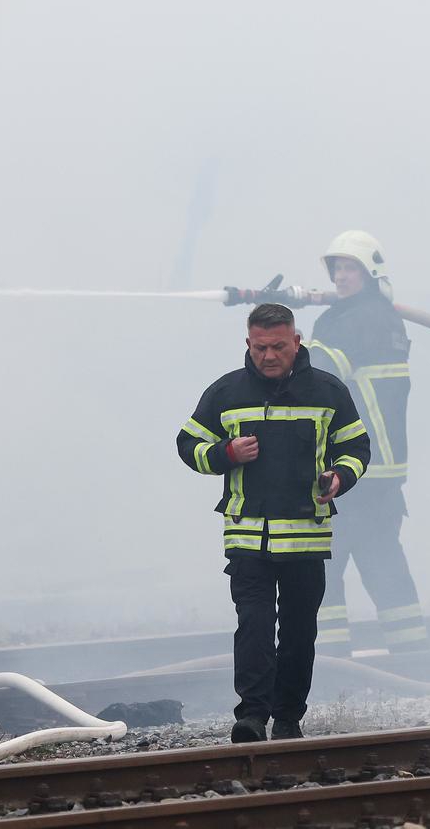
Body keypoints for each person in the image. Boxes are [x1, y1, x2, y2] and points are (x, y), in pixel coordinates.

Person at [176, 303, 370, 742]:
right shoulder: (225, 393)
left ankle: (287, 720)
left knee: (300, 635)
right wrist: (225, 454)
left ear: (296, 342)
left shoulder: (328, 392)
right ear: (248, 344)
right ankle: (251, 717)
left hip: (306, 541)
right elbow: (188, 444)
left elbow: (357, 449)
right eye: (260, 347)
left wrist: (339, 477)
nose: (268, 356)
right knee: (255, 630)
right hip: (248, 539)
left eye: (278, 346)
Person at [304, 231, 430, 655]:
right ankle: (413, 655)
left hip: (351, 467)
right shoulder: (380, 316)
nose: (340, 276)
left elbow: (319, 374)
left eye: (350, 267)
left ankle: (330, 662)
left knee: (323, 557)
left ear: (370, 272)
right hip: (378, 470)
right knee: (381, 560)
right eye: (336, 268)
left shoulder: (358, 320)